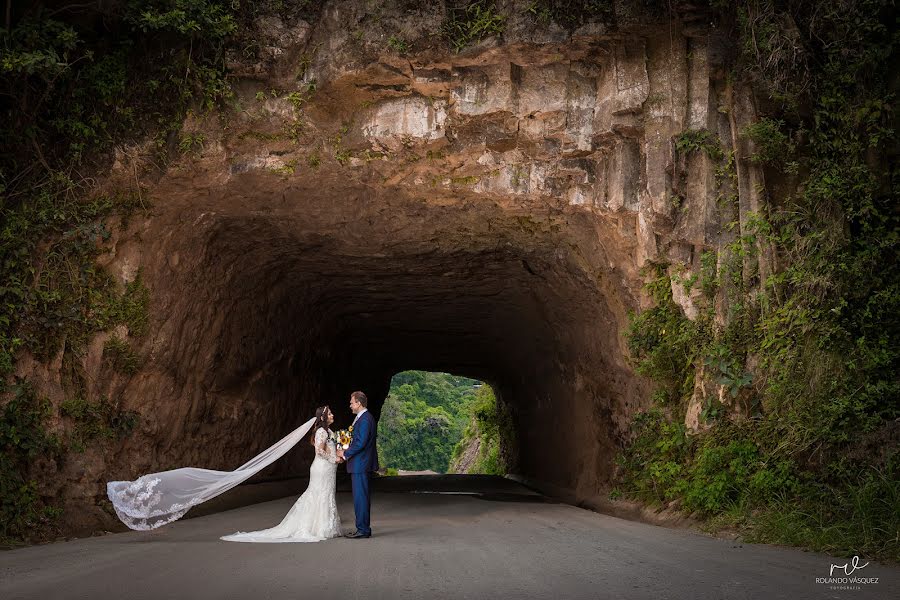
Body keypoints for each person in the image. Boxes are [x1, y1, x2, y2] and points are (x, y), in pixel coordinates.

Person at [220, 405, 342, 542]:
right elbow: (319, 451)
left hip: (329, 469)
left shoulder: (329, 431)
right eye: (330, 414)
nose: (332, 415)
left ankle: (325, 526)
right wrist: (334, 458)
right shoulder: (321, 432)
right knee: (319, 494)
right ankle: (318, 528)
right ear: (322, 418)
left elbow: (330, 448)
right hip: (321, 468)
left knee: (327, 493)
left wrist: (339, 453)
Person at [338, 390, 378, 539]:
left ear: (358, 403)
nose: (350, 405)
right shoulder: (363, 418)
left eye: (351, 402)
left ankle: (363, 530)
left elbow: (360, 442)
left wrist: (345, 453)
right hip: (361, 464)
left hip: (361, 464)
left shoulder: (365, 419)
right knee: (361, 496)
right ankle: (362, 528)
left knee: (361, 497)